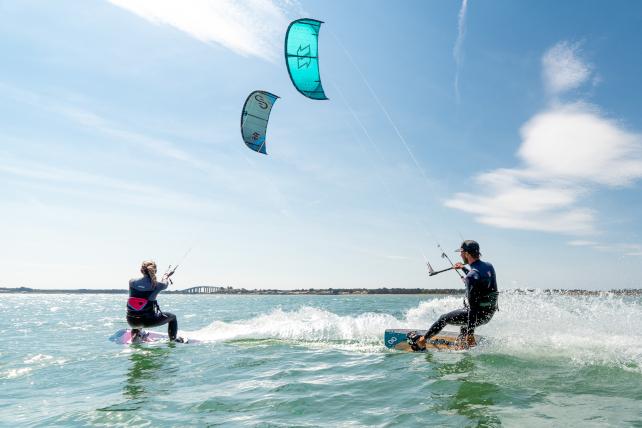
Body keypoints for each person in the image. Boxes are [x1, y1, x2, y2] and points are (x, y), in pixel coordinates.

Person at [408, 240, 498, 350]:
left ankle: (422, 341)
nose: (460, 255)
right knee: (464, 323)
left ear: (467, 254)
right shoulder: (489, 266)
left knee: (443, 318)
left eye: (461, 252)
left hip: (477, 315)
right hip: (488, 314)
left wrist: (470, 334)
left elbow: (473, 309)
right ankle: (462, 344)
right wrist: (464, 269)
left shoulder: (471, 276)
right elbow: (479, 280)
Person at [126, 260, 183, 342]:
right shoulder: (159, 285)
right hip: (148, 321)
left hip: (131, 321)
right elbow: (165, 282)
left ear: (141, 270)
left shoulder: (131, 282)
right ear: (155, 271)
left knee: (137, 313)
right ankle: (173, 341)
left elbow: (143, 286)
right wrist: (166, 275)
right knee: (173, 317)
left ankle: (136, 336)